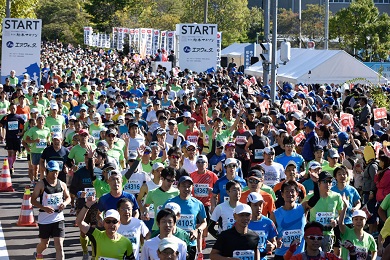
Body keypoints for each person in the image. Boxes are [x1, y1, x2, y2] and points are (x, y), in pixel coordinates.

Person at [270, 174, 320, 259]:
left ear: (297, 194)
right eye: (286, 191)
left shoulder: (303, 207)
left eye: (292, 191)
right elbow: (271, 234)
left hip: (299, 255)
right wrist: (275, 242)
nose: (290, 193)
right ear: (282, 194)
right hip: (281, 255)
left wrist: (315, 183)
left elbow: (316, 198)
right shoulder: (275, 213)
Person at [31, 161, 71, 260]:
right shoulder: (41, 184)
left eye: (56, 171)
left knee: (59, 246)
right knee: (45, 244)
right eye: (52, 171)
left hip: (58, 218)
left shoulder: (62, 184)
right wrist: (44, 208)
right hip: (45, 219)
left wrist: (64, 204)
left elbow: (68, 198)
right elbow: (32, 200)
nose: (55, 174)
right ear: (47, 171)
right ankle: (38, 252)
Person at [164, 176, 207, 260]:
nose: (186, 188)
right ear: (178, 187)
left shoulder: (198, 204)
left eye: (189, 186)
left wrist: (197, 231)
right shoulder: (170, 203)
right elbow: (161, 220)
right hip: (172, 242)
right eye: (184, 186)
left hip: (190, 243)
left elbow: (204, 222)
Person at [302, 171, 343, 253]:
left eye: (330, 181)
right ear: (319, 183)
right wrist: (306, 224)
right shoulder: (310, 197)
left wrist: (336, 220)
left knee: (325, 256)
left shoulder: (337, 196)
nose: (328, 184)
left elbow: (341, 213)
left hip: (328, 233)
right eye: (325, 181)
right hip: (314, 234)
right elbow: (302, 212)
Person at [284, 221, 357, 260]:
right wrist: (290, 251)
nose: (316, 240)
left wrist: (352, 252)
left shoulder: (330, 257)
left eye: (319, 238)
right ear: (305, 238)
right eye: (312, 237)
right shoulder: (299, 258)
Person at [247, 192, 278, 259]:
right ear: (249, 205)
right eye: (255, 205)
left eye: (260, 205)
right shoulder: (243, 222)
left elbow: (274, 242)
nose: (258, 208)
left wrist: (273, 246)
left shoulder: (268, 222)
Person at [0, 103, 25, 174]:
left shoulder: (18, 117)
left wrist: (22, 133)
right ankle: (10, 167)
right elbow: (1, 124)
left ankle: (11, 164)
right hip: (9, 137)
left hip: (16, 138)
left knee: (14, 153)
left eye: (14, 108)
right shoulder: (6, 117)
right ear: (9, 109)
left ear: (16, 109)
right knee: (10, 152)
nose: (13, 110)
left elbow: (25, 125)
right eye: (11, 108)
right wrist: (2, 134)